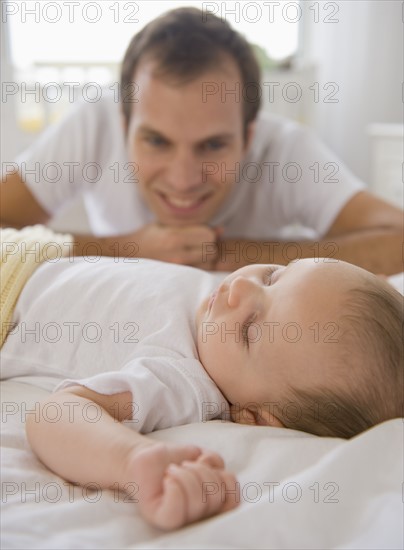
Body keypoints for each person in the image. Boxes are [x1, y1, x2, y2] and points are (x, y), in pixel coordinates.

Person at [2, 250, 400, 529]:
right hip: (30, 255)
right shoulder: (217, 316)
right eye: (275, 275)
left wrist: (132, 460)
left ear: (255, 417)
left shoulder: (182, 378)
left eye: (249, 329)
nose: (239, 288)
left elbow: (57, 416)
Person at [0, 8, 402, 275]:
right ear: (124, 128)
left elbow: (397, 238)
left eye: (212, 146)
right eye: (157, 141)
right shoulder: (93, 122)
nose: (183, 179)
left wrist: (223, 254)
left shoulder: (285, 149)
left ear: (248, 137)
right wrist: (129, 249)